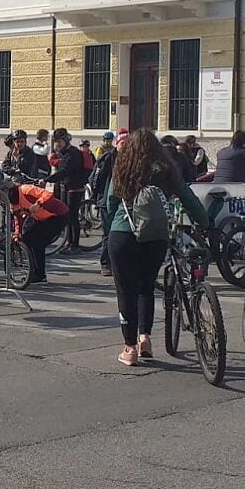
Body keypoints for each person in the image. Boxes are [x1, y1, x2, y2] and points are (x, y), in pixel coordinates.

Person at [103, 128, 209, 367]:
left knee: (125, 290)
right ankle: (145, 339)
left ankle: (129, 348)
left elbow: (109, 202)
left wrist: (113, 227)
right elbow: (188, 198)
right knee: (146, 287)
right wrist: (206, 224)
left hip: (122, 234)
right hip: (155, 237)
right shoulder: (166, 171)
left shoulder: (122, 168)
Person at [9, 180, 68, 284]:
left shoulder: (25, 189)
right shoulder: (12, 203)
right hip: (42, 218)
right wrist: (18, 233)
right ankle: (33, 271)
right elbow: (18, 218)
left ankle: (40, 274)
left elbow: (47, 194)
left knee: (37, 242)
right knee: (26, 238)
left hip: (58, 215)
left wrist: (38, 203)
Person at [90, 132, 119, 277]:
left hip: (121, 202)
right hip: (106, 202)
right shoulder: (107, 157)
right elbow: (95, 178)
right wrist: (97, 196)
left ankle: (117, 264)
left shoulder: (128, 158)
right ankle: (106, 264)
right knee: (108, 234)